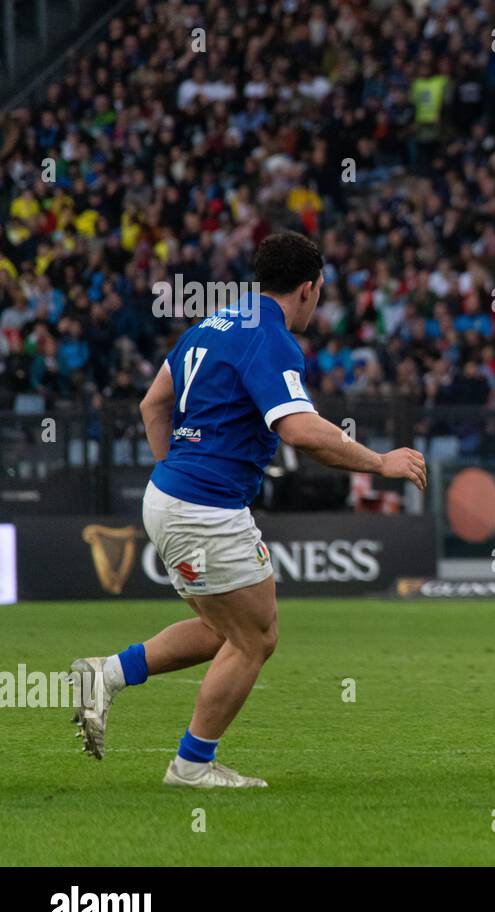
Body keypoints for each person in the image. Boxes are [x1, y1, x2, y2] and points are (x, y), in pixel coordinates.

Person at [69, 233, 427, 788]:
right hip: (203, 509)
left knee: (221, 628)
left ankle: (106, 674)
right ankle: (191, 766)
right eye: (320, 291)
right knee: (255, 637)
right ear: (307, 289)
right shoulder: (271, 337)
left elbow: (152, 403)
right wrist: (380, 462)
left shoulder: (209, 327)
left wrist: (173, 472)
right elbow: (300, 430)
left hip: (171, 497)